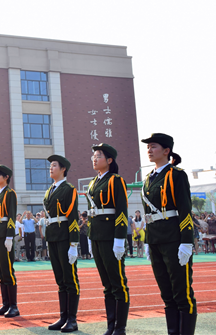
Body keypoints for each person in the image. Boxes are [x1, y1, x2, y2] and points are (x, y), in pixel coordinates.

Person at [141, 133, 197, 335]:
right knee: (166, 294)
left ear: (166, 151)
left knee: (182, 293)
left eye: (153, 146)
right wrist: (148, 241)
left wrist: (186, 242)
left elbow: (184, 209)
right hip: (155, 239)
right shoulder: (148, 178)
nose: (149, 150)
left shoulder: (176, 174)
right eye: (148, 147)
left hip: (174, 239)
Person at [86, 143, 129, 335]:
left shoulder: (115, 180)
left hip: (111, 237)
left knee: (118, 282)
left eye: (99, 156)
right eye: (93, 156)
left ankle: (120, 327)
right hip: (96, 236)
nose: (94, 159)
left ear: (109, 160)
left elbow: (121, 211)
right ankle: (110, 325)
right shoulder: (93, 182)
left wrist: (119, 239)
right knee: (107, 285)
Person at [43, 154, 80, 332]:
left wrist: (74, 244)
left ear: (63, 169)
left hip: (65, 236)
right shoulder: (49, 190)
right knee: (60, 279)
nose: (51, 168)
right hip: (53, 237)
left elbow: (72, 217)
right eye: (50, 166)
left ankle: (72, 319)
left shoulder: (69, 189)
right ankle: (63, 317)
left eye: (54, 165)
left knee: (70, 278)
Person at [0, 164, 19, 318]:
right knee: (1, 271)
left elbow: (12, 216)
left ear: (6, 177)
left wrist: (9, 236)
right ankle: (6, 304)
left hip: (4, 236)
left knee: (8, 271)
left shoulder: (10, 193)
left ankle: (14, 306)